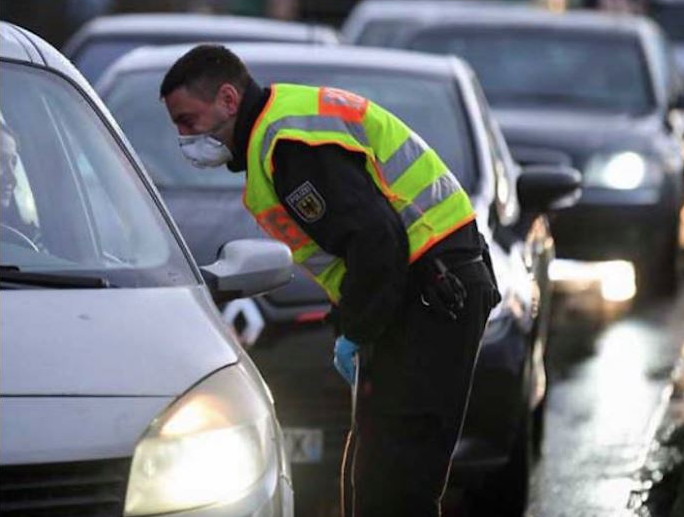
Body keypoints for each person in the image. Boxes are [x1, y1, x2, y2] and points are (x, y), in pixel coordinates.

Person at [160, 45, 500, 517]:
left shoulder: (288, 148)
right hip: (422, 291)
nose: (184, 138)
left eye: (188, 120)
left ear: (228, 99)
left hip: (432, 294)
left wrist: (356, 331)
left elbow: (377, 243)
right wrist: (350, 320)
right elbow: (359, 247)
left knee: (395, 484)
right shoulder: (282, 130)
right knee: (373, 474)